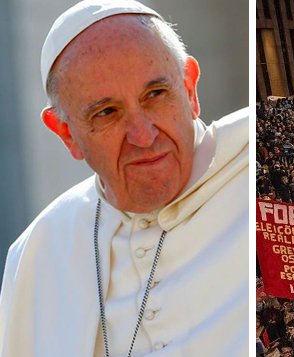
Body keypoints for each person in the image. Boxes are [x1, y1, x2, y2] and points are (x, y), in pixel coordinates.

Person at [0, 0, 249, 355]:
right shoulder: (39, 253)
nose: (143, 136)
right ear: (67, 134)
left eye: (156, 95)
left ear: (190, 89)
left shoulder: (249, 166)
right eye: (107, 113)